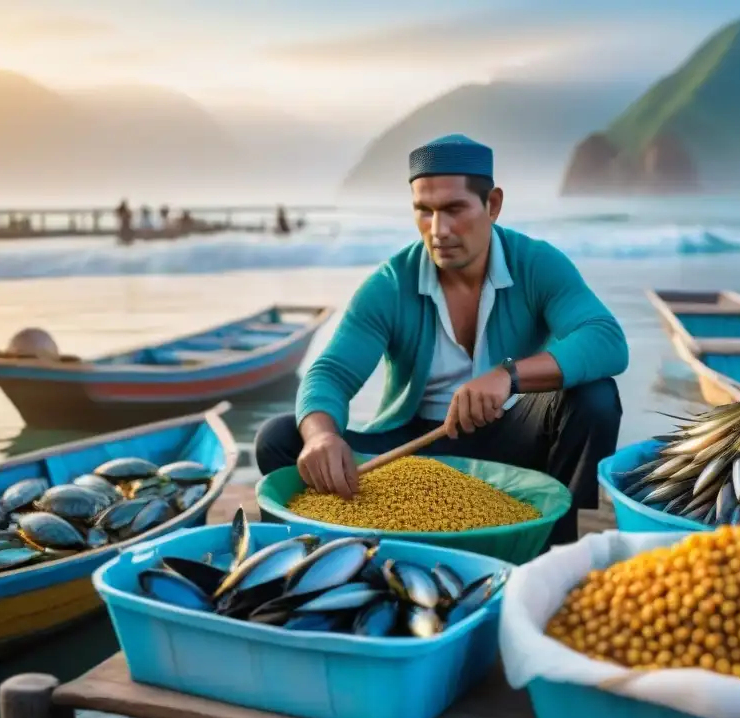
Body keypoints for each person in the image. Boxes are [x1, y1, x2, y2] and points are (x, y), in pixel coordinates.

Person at [255, 134, 629, 548]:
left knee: (595, 397)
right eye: (424, 211)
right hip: (413, 448)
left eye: (454, 209)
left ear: (493, 205)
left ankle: (554, 548)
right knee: (281, 437)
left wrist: (508, 376)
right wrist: (322, 436)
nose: (439, 230)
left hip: (510, 443)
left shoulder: (537, 264)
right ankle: (325, 557)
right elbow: (331, 373)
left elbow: (605, 338)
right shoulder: (391, 284)